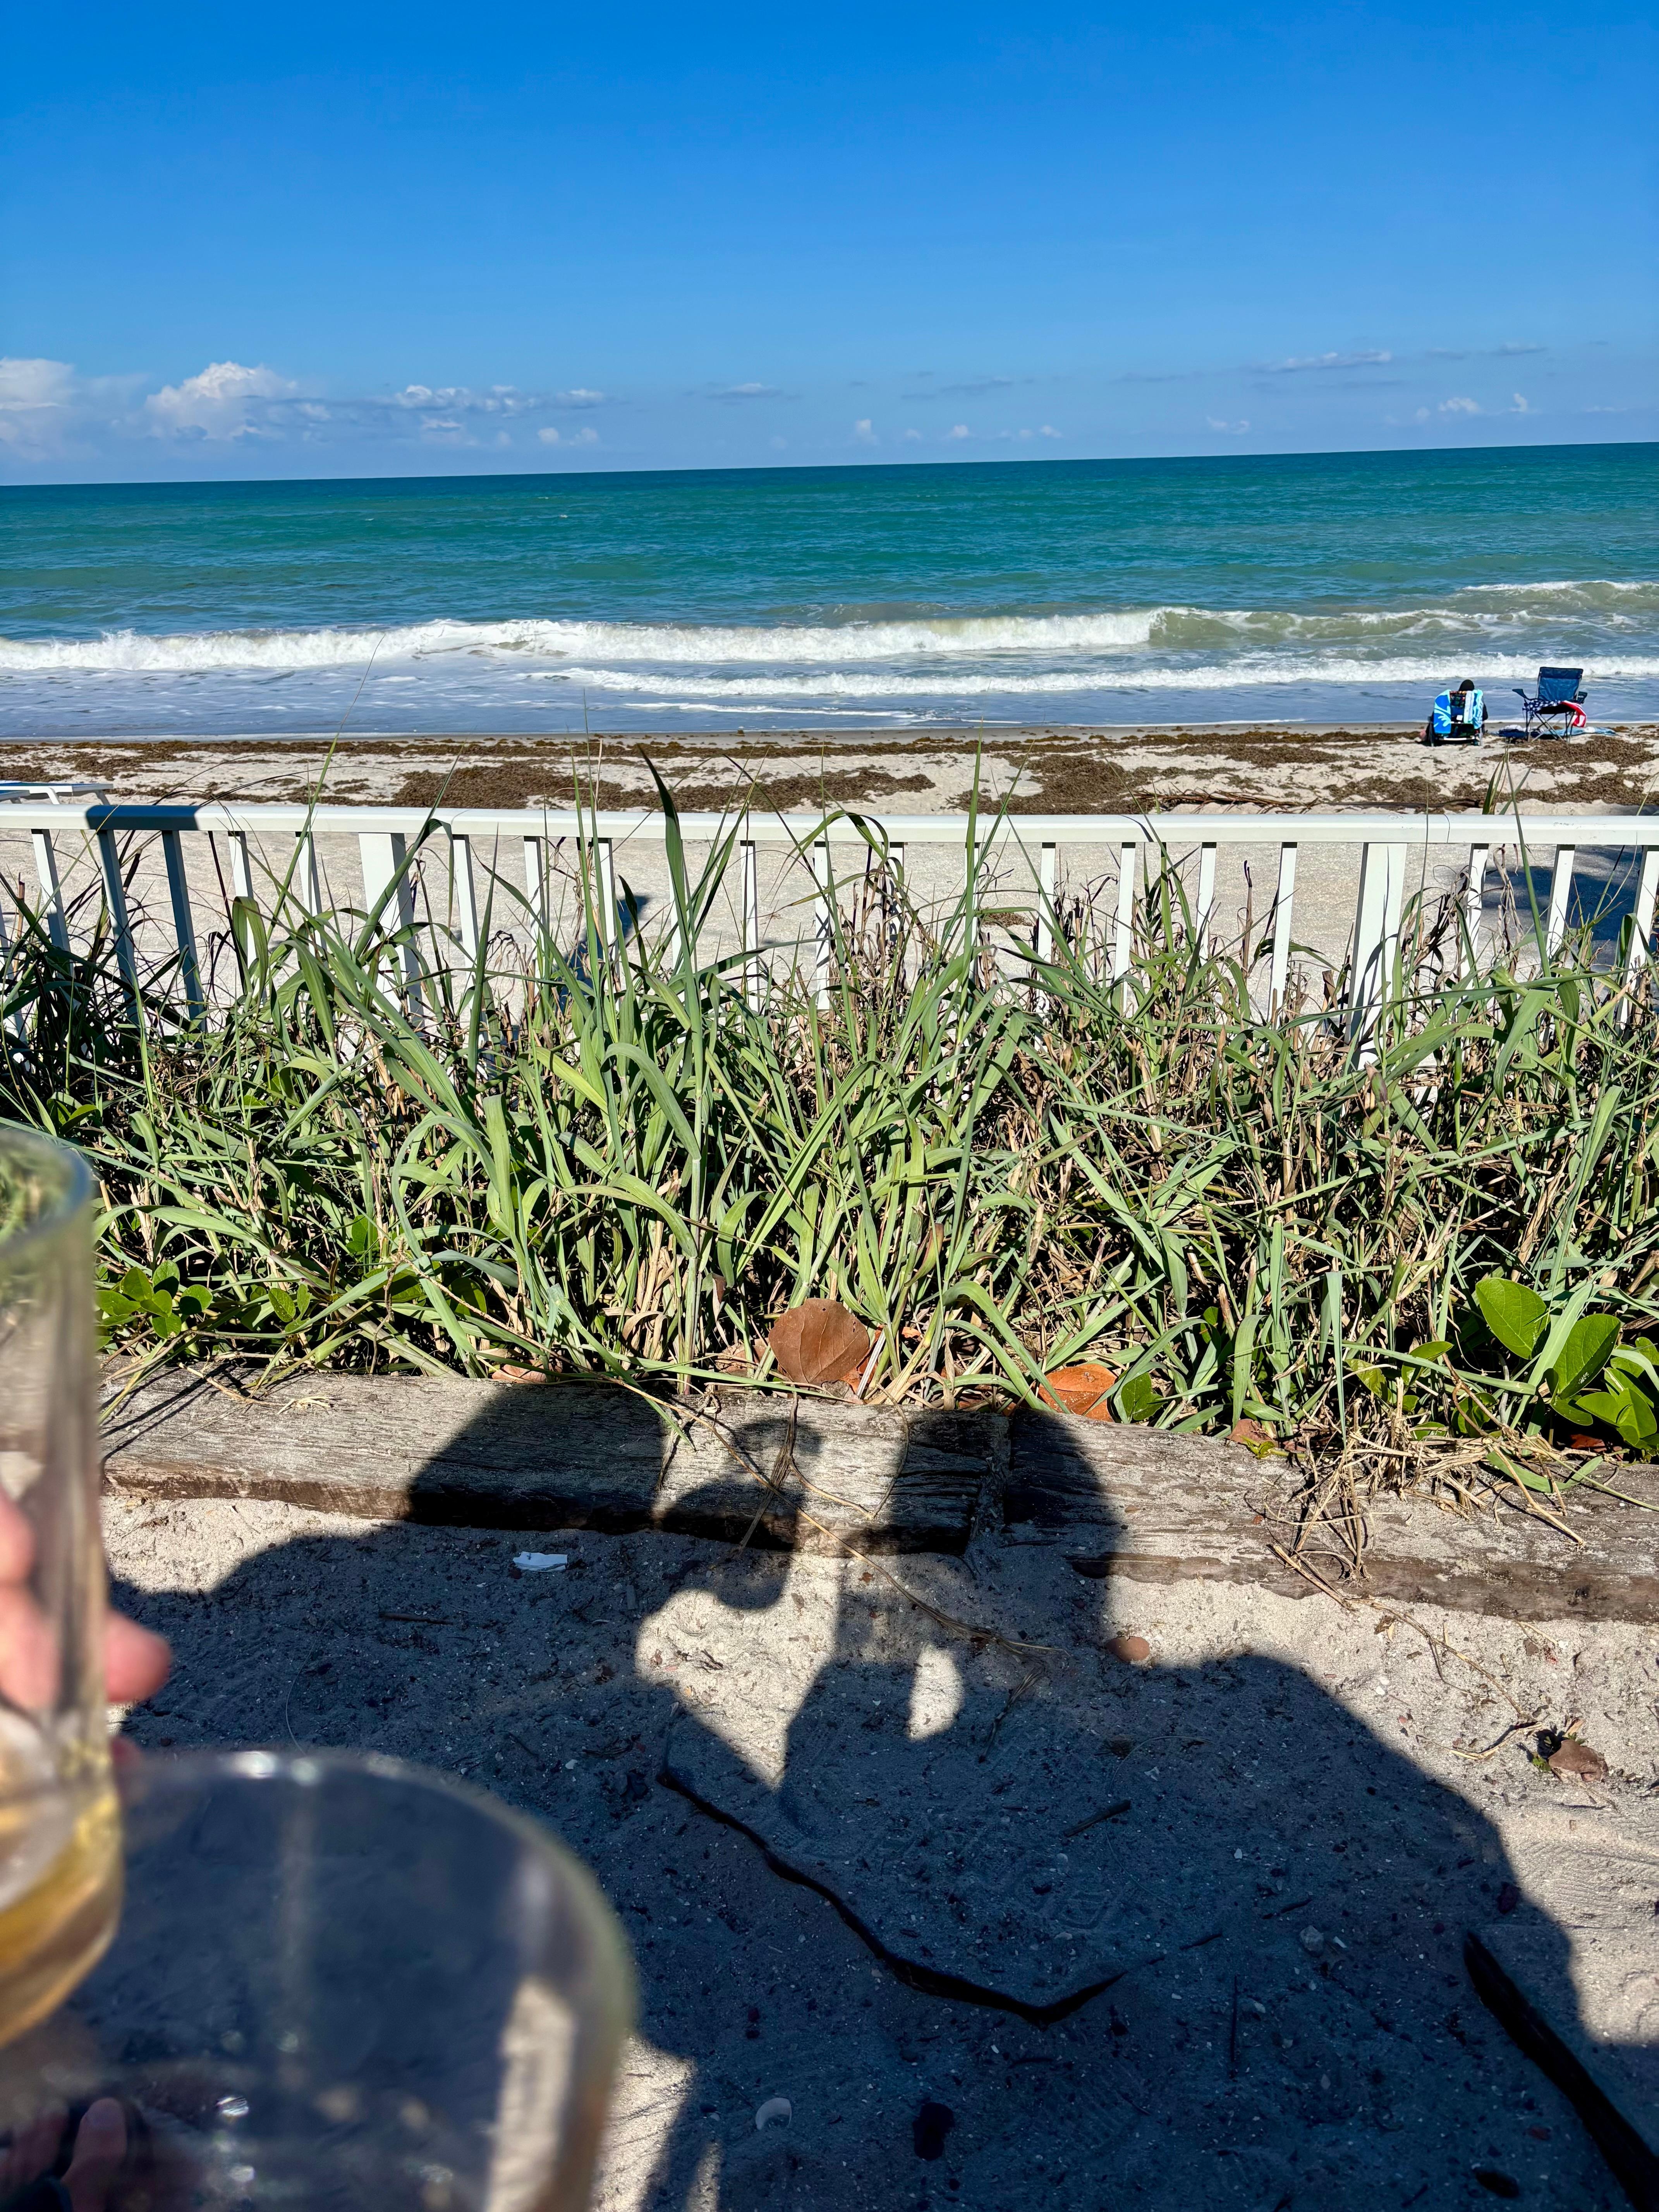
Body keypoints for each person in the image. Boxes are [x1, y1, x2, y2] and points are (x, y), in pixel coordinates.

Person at [1424, 677, 1486, 745]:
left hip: (1448, 735)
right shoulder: (1476, 703)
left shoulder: (1451, 700)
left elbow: (1436, 717)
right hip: (1468, 734)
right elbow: (1485, 717)